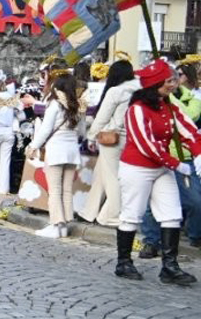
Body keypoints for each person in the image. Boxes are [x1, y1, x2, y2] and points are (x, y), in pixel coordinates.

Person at [115, 59, 201, 284]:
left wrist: (198, 154)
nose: (174, 85)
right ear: (155, 85)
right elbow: (146, 144)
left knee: (172, 214)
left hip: (162, 168)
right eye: (169, 81)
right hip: (137, 168)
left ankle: (170, 267)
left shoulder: (169, 107)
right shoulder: (136, 109)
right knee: (132, 214)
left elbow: (190, 132)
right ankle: (124, 262)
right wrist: (176, 164)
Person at [27, 73, 86, 238]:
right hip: (72, 152)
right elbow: (82, 132)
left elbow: (45, 129)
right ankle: (65, 225)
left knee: (54, 190)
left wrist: (33, 146)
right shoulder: (78, 106)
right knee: (67, 190)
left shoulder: (55, 105)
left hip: (56, 151)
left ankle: (56, 225)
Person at [82, 61, 137, 226]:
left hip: (112, 138)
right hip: (129, 138)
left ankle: (110, 215)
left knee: (112, 178)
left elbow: (102, 117)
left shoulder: (115, 91)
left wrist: (91, 136)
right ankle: (89, 212)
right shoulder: (138, 90)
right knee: (100, 176)